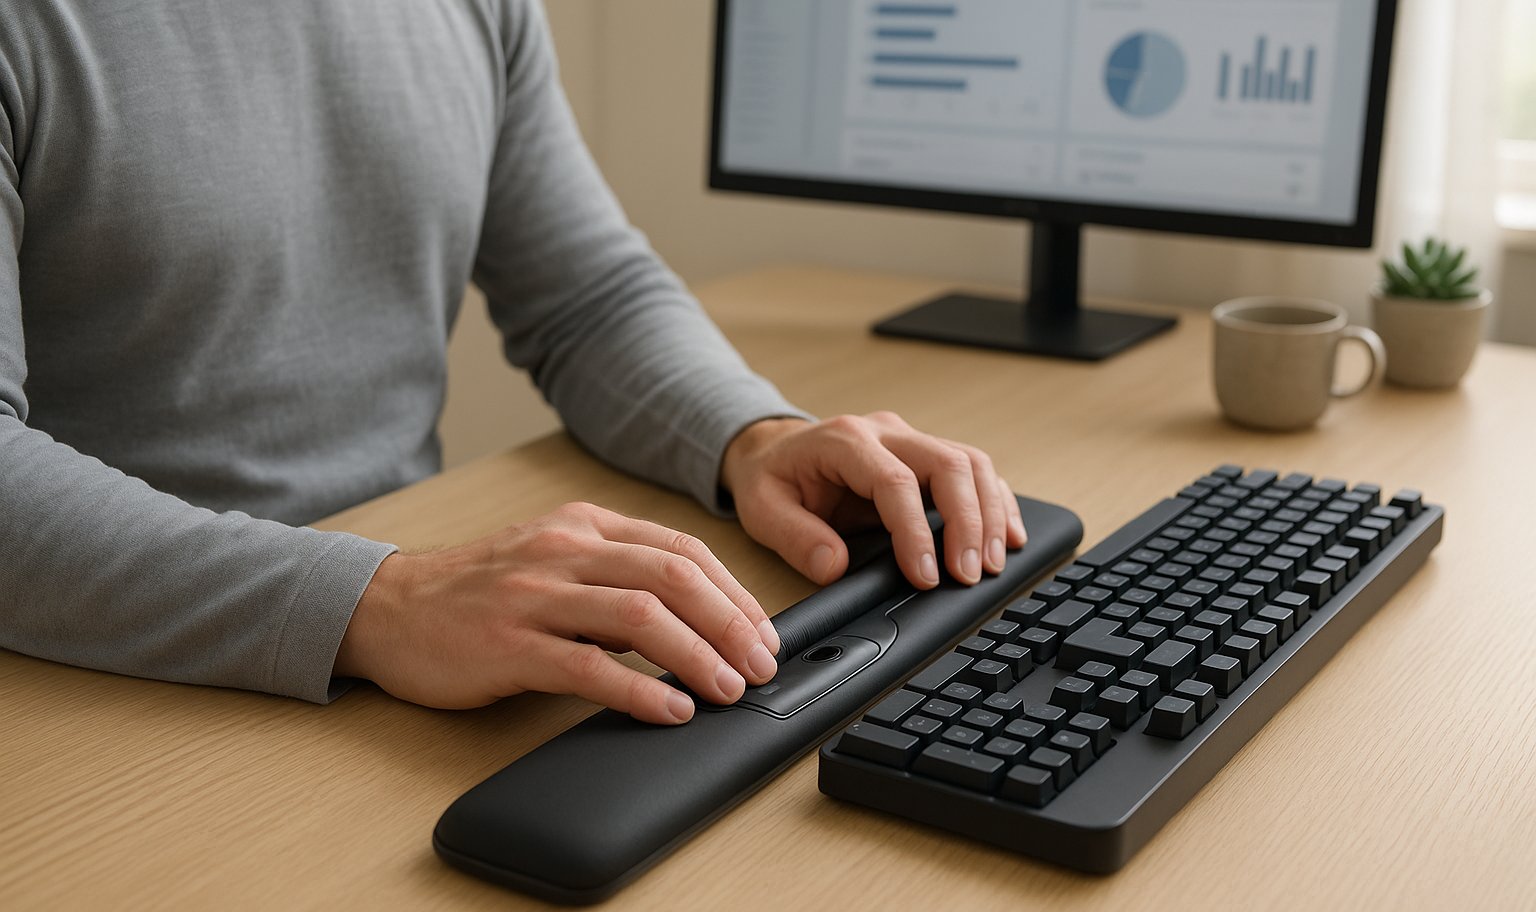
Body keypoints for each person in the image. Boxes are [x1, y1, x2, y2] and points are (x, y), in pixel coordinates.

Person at [0, 0, 1024, 726]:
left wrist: (752, 436)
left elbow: (587, 298)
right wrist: (374, 604)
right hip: (117, 686)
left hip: (407, 655)